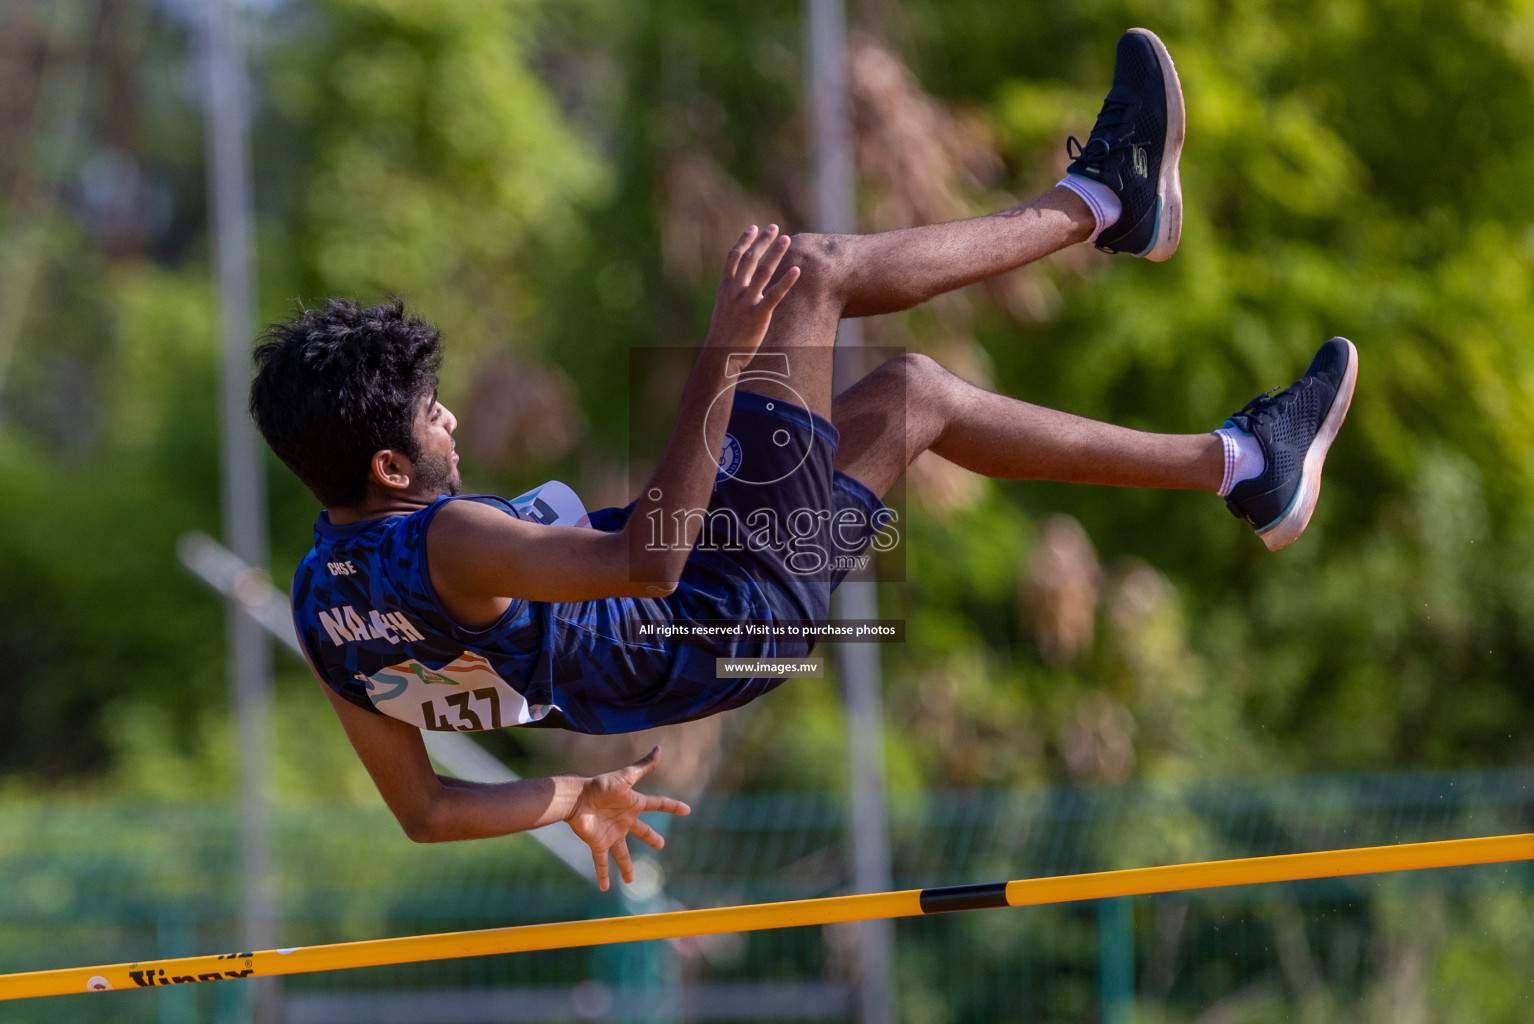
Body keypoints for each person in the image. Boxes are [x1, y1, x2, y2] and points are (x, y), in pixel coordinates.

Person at [250, 29, 1356, 890]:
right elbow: (644, 561)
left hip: (713, 647)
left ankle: (1244, 463)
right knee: (812, 275)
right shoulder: (446, 537)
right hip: (712, 599)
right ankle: (1105, 199)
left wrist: (575, 796)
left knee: (913, 397)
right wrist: (723, 355)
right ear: (389, 470)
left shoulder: (320, 608)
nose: (449, 425)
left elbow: (427, 811)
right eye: (432, 418)